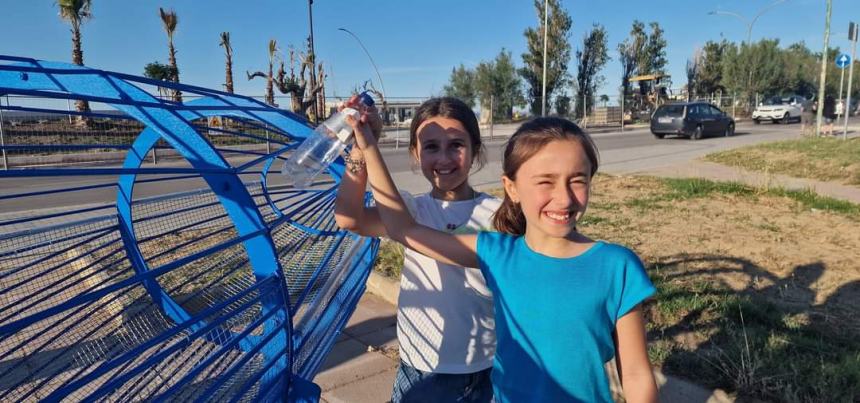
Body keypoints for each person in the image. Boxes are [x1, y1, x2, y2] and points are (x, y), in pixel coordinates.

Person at [348, 115, 658, 402]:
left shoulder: (618, 267)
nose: (564, 198)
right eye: (545, 181)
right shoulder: (496, 254)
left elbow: (635, 374)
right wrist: (366, 147)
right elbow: (402, 229)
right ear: (512, 187)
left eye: (577, 179)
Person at [334, 97, 500, 402]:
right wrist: (361, 146)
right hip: (422, 369)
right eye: (432, 147)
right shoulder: (410, 211)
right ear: (415, 153)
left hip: (486, 368)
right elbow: (349, 218)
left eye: (456, 145)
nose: (444, 158)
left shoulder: (497, 213)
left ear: (475, 150)